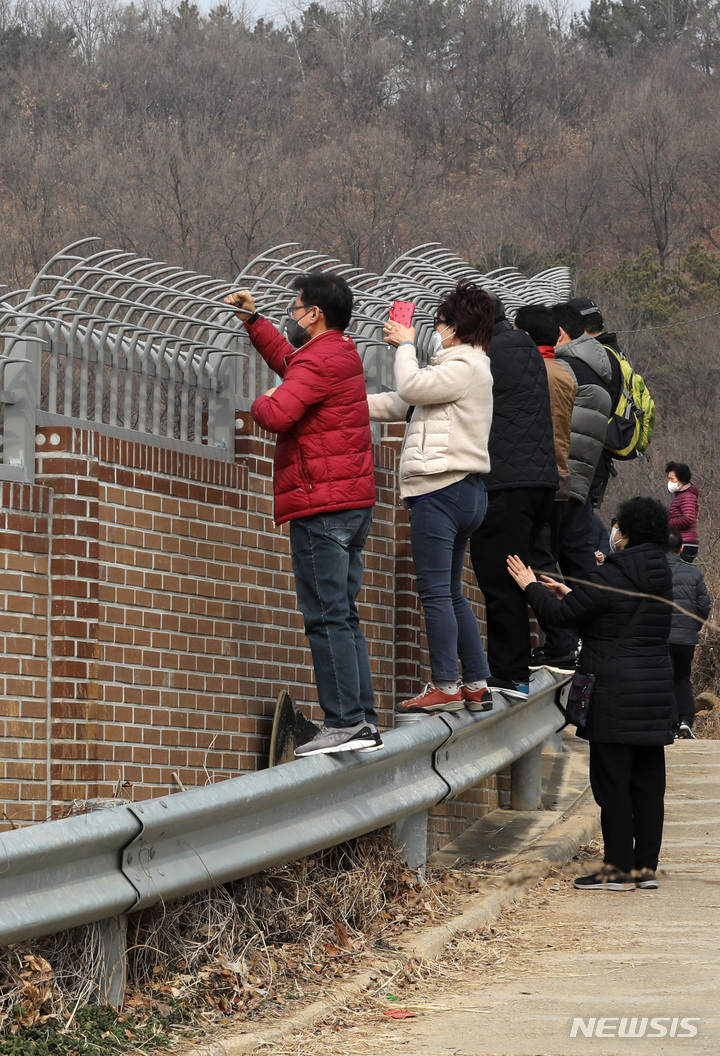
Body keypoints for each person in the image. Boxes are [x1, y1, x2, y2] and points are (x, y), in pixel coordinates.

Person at [224, 272, 380, 757]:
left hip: (321, 504)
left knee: (325, 616)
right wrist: (254, 321)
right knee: (344, 614)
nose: (292, 316)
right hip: (351, 501)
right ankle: (364, 719)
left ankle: (344, 722)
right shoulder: (340, 352)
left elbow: (279, 414)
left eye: (295, 308)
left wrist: (260, 401)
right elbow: (293, 364)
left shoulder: (318, 359)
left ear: (315, 313)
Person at [507, 497, 674, 891]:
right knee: (648, 784)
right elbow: (614, 616)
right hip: (653, 692)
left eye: (617, 527)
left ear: (626, 532)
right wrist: (571, 593)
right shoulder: (660, 573)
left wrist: (531, 587)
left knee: (613, 783)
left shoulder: (613, 573)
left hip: (614, 692)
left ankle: (617, 870)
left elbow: (560, 617)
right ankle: (644, 870)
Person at [367, 280, 495, 713]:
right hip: (463, 491)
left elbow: (410, 388)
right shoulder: (466, 368)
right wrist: (343, 404)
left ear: (456, 327)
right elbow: (403, 403)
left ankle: (445, 684)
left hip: (441, 489)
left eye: (439, 324)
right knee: (451, 592)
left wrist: (405, 344)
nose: (434, 331)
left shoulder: (464, 365)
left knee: (435, 592)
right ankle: (475, 683)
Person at [469, 294, 558, 699]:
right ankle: (515, 669)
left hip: (507, 482)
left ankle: (509, 674)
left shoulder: (489, 354)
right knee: (516, 573)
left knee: (499, 577)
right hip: (538, 481)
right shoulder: (522, 346)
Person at [666, 528, 711, 738]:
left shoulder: (653, 571)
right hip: (686, 638)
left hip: (661, 636)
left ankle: (672, 724)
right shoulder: (695, 573)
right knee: (683, 678)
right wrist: (693, 627)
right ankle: (685, 720)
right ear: (682, 548)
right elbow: (704, 607)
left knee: (665, 678)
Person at [666, 461, 699, 563]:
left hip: (685, 543)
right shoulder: (680, 496)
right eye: (668, 479)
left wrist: (667, 523)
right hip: (681, 542)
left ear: (681, 479)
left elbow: (688, 518)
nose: (669, 482)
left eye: (672, 479)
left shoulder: (687, 496)